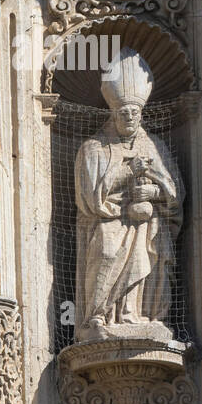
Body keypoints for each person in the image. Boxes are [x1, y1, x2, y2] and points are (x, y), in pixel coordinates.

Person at [74, 48, 183, 341]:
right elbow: (89, 197)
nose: (130, 117)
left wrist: (153, 191)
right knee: (107, 250)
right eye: (123, 112)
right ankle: (97, 316)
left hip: (147, 225)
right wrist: (127, 173)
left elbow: (175, 192)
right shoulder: (94, 148)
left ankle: (139, 316)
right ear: (112, 112)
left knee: (151, 255)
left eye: (135, 112)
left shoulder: (154, 147)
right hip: (108, 221)